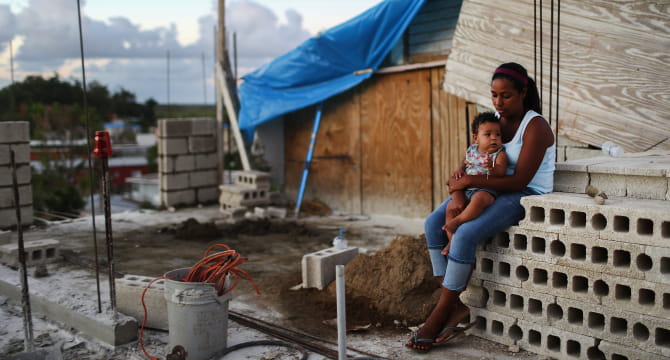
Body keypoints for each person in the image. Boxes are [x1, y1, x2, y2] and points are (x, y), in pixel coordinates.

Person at [406, 62, 555, 352]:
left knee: (464, 234)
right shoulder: (495, 122)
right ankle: (456, 307)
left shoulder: (534, 126)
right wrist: (458, 191)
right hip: (486, 187)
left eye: (506, 96)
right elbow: (467, 163)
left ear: (523, 92)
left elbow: (519, 179)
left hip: (523, 192)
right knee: (431, 223)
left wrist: (468, 183)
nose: (499, 102)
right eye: (494, 95)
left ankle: (440, 314)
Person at [441, 111, 508, 254]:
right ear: (476, 138)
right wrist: (459, 169)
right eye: (488, 134)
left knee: (480, 199)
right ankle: (451, 242)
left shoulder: (499, 154)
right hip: (467, 188)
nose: (494, 138)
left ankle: (458, 221)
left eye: (498, 134)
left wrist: (492, 167)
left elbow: (501, 171)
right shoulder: (472, 150)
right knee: (450, 208)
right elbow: (464, 162)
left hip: (486, 188)